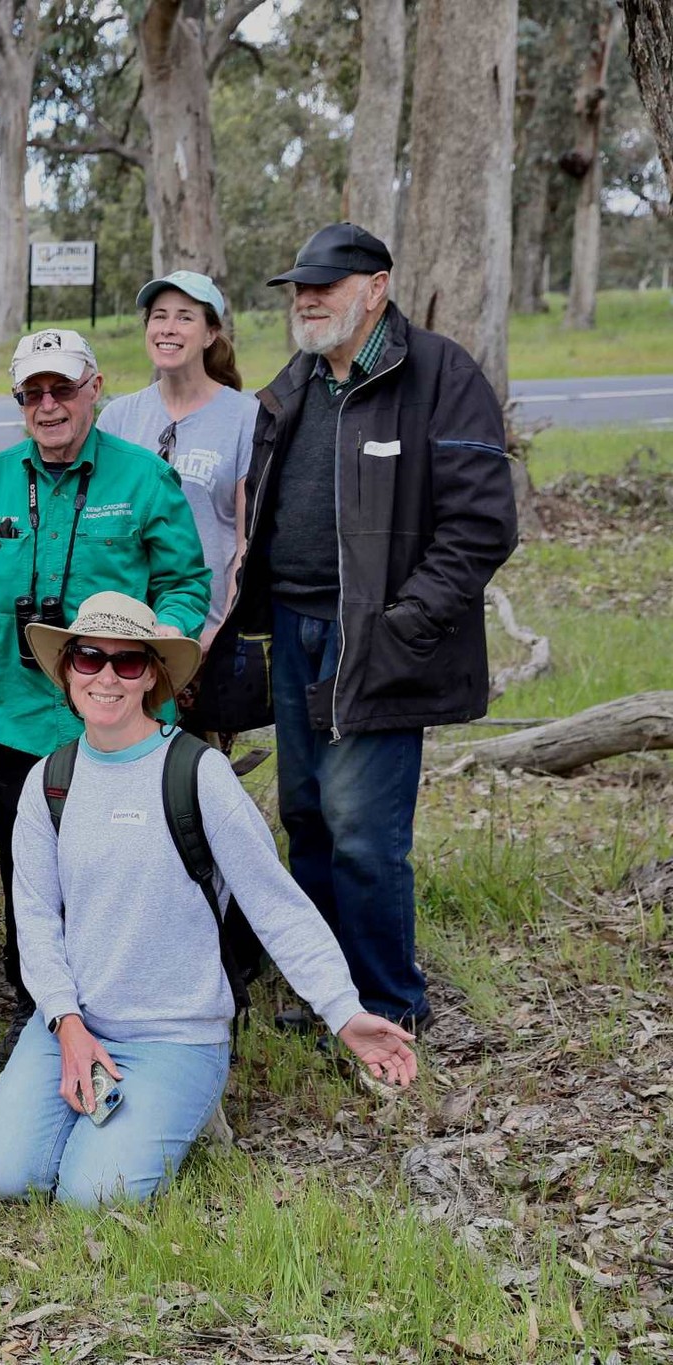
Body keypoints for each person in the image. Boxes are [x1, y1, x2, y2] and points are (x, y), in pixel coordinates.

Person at [0, 592, 418, 1208]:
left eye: (127, 663)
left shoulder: (197, 774)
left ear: (152, 674)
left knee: (93, 1195)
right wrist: (67, 1024)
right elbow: (37, 920)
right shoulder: (50, 780)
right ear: (67, 668)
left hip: (174, 1035)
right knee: (2, 1173)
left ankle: (181, 1108)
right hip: (73, 1028)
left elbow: (276, 906)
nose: (106, 677)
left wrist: (343, 1012)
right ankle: (105, 1116)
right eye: (90, 658)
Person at [232, 223, 516, 1036]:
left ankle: (390, 1003)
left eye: (326, 282)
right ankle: (333, 998)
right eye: (299, 286)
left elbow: (482, 524)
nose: (308, 298)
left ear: (377, 286)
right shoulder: (296, 379)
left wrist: (405, 625)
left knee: (362, 830)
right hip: (294, 628)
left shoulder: (437, 374)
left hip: (375, 639)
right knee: (308, 817)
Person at [0, 328, 210, 1064]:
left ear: (94, 390)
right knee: (33, 874)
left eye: (63, 388)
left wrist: (156, 643)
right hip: (18, 721)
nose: (48, 405)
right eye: (33, 393)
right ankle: (43, 1020)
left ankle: (135, 1015)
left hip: (122, 722)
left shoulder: (145, 477)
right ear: (20, 402)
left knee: (125, 872)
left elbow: (186, 584)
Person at [95, 271, 255, 645]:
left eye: (185, 317)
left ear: (211, 333)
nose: (169, 328)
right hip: (124, 636)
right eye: (159, 316)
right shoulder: (118, 418)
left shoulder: (245, 418)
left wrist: (222, 629)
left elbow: (245, 539)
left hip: (208, 631)